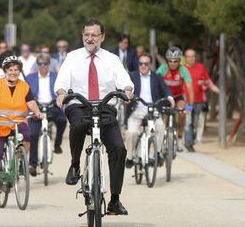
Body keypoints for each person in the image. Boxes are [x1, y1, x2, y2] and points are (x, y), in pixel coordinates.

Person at [55, 19, 134, 215]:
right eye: (86, 35)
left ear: (102, 37)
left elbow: (124, 79)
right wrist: (62, 93)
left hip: (105, 106)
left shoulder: (112, 59)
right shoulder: (72, 57)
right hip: (79, 104)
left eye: (93, 35)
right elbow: (62, 80)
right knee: (79, 125)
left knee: (118, 148)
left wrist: (127, 90)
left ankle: (114, 200)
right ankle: (74, 165)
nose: (89, 39)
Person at [0, 56, 43, 196]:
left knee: (28, 137)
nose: (13, 72)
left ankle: (20, 163)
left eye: (16, 70)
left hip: (18, 122)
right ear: (5, 71)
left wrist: (37, 112)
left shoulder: (24, 86)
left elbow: (31, 103)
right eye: (10, 70)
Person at [125, 53, 175, 168]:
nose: (143, 66)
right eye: (141, 63)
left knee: (161, 126)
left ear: (150, 65)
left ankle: (156, 153)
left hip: (153, 110)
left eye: (146, 64)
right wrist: (125, 96)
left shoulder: (157, 77)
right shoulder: (131, 76)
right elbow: (124, 88)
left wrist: (170, 98)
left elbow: (165, 89)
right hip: (136, 110)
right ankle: (130, 157)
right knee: (131, 133)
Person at [25, 53, 67, 176]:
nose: (43, 66)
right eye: (40, 64)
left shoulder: (56, 76)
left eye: (45, 63)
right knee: (32, 134)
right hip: (36, 107)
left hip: (52, 106)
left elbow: (63, 91)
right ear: (37, 65)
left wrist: (60, 99)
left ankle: (57, 144)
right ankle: (33, 164)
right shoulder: (29, 78)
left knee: (62, 120)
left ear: (49, 64)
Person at [157, 46, 194, 151]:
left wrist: (190, 107)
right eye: (170, 61)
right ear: (167, 61)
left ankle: (179, 137)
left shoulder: (183, 70)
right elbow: (155, 83)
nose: (173, 63)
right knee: (164, 117)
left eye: (175, 61)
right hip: (165, 97)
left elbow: (190, 89)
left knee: (183, 113)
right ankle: (163, 139)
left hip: (178, 97)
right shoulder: (162, 69)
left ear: (179, 61)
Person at [183, 49, 219, 150]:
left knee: (196, 122)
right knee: (188, 121)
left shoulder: (201, 67)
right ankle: (188, 143)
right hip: (188, 102)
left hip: (199, 101)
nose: (191, 58)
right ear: (185, 58)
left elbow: (208, 81)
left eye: (192, 56)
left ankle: (191, 138)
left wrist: (215, 89)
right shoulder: (182, 69)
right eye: (189, 56)